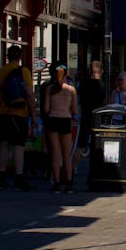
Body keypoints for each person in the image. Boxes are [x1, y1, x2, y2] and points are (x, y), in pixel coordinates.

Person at [0, 45, 37, 191]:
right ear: (19, 57)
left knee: (3, 144)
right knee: (18, 146)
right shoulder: (23, 72)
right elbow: (30, 95)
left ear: (7, 56)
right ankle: (18, 179)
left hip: (0, 113)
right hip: (18, 114)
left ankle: (1, 178)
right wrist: (34, 118)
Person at [44, 65, 78, 193]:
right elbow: (75, 110)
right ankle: (69, 183)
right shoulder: (71, 89)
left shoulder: (49, 89)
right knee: (66, 154)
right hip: (65, 120)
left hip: (53, 120)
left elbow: (46, 109)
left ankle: (57, 182)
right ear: (66, 74)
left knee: (55, 154)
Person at [71, 60, 104, 170]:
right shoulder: (102, 85)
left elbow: (79, 99)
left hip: (85, 116)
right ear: (101, 71)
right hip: (97, 118)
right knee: (98, 145)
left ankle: (73, 168)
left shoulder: (83, 83)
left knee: (80, 145)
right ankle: (96, 169)